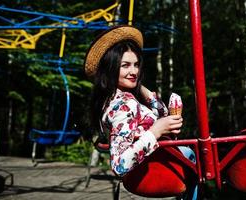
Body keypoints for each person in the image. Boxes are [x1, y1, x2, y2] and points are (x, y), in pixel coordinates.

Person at [84, 25, 197, 199]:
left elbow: (162, 112)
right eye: (125, 65)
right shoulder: (123, 106)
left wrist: (139, 87)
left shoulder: (115, 99)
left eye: (136, 65)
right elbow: (119, 165)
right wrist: (156, 131)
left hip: (155, 169)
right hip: (154, 172)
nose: (134, 71)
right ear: (110, 68)